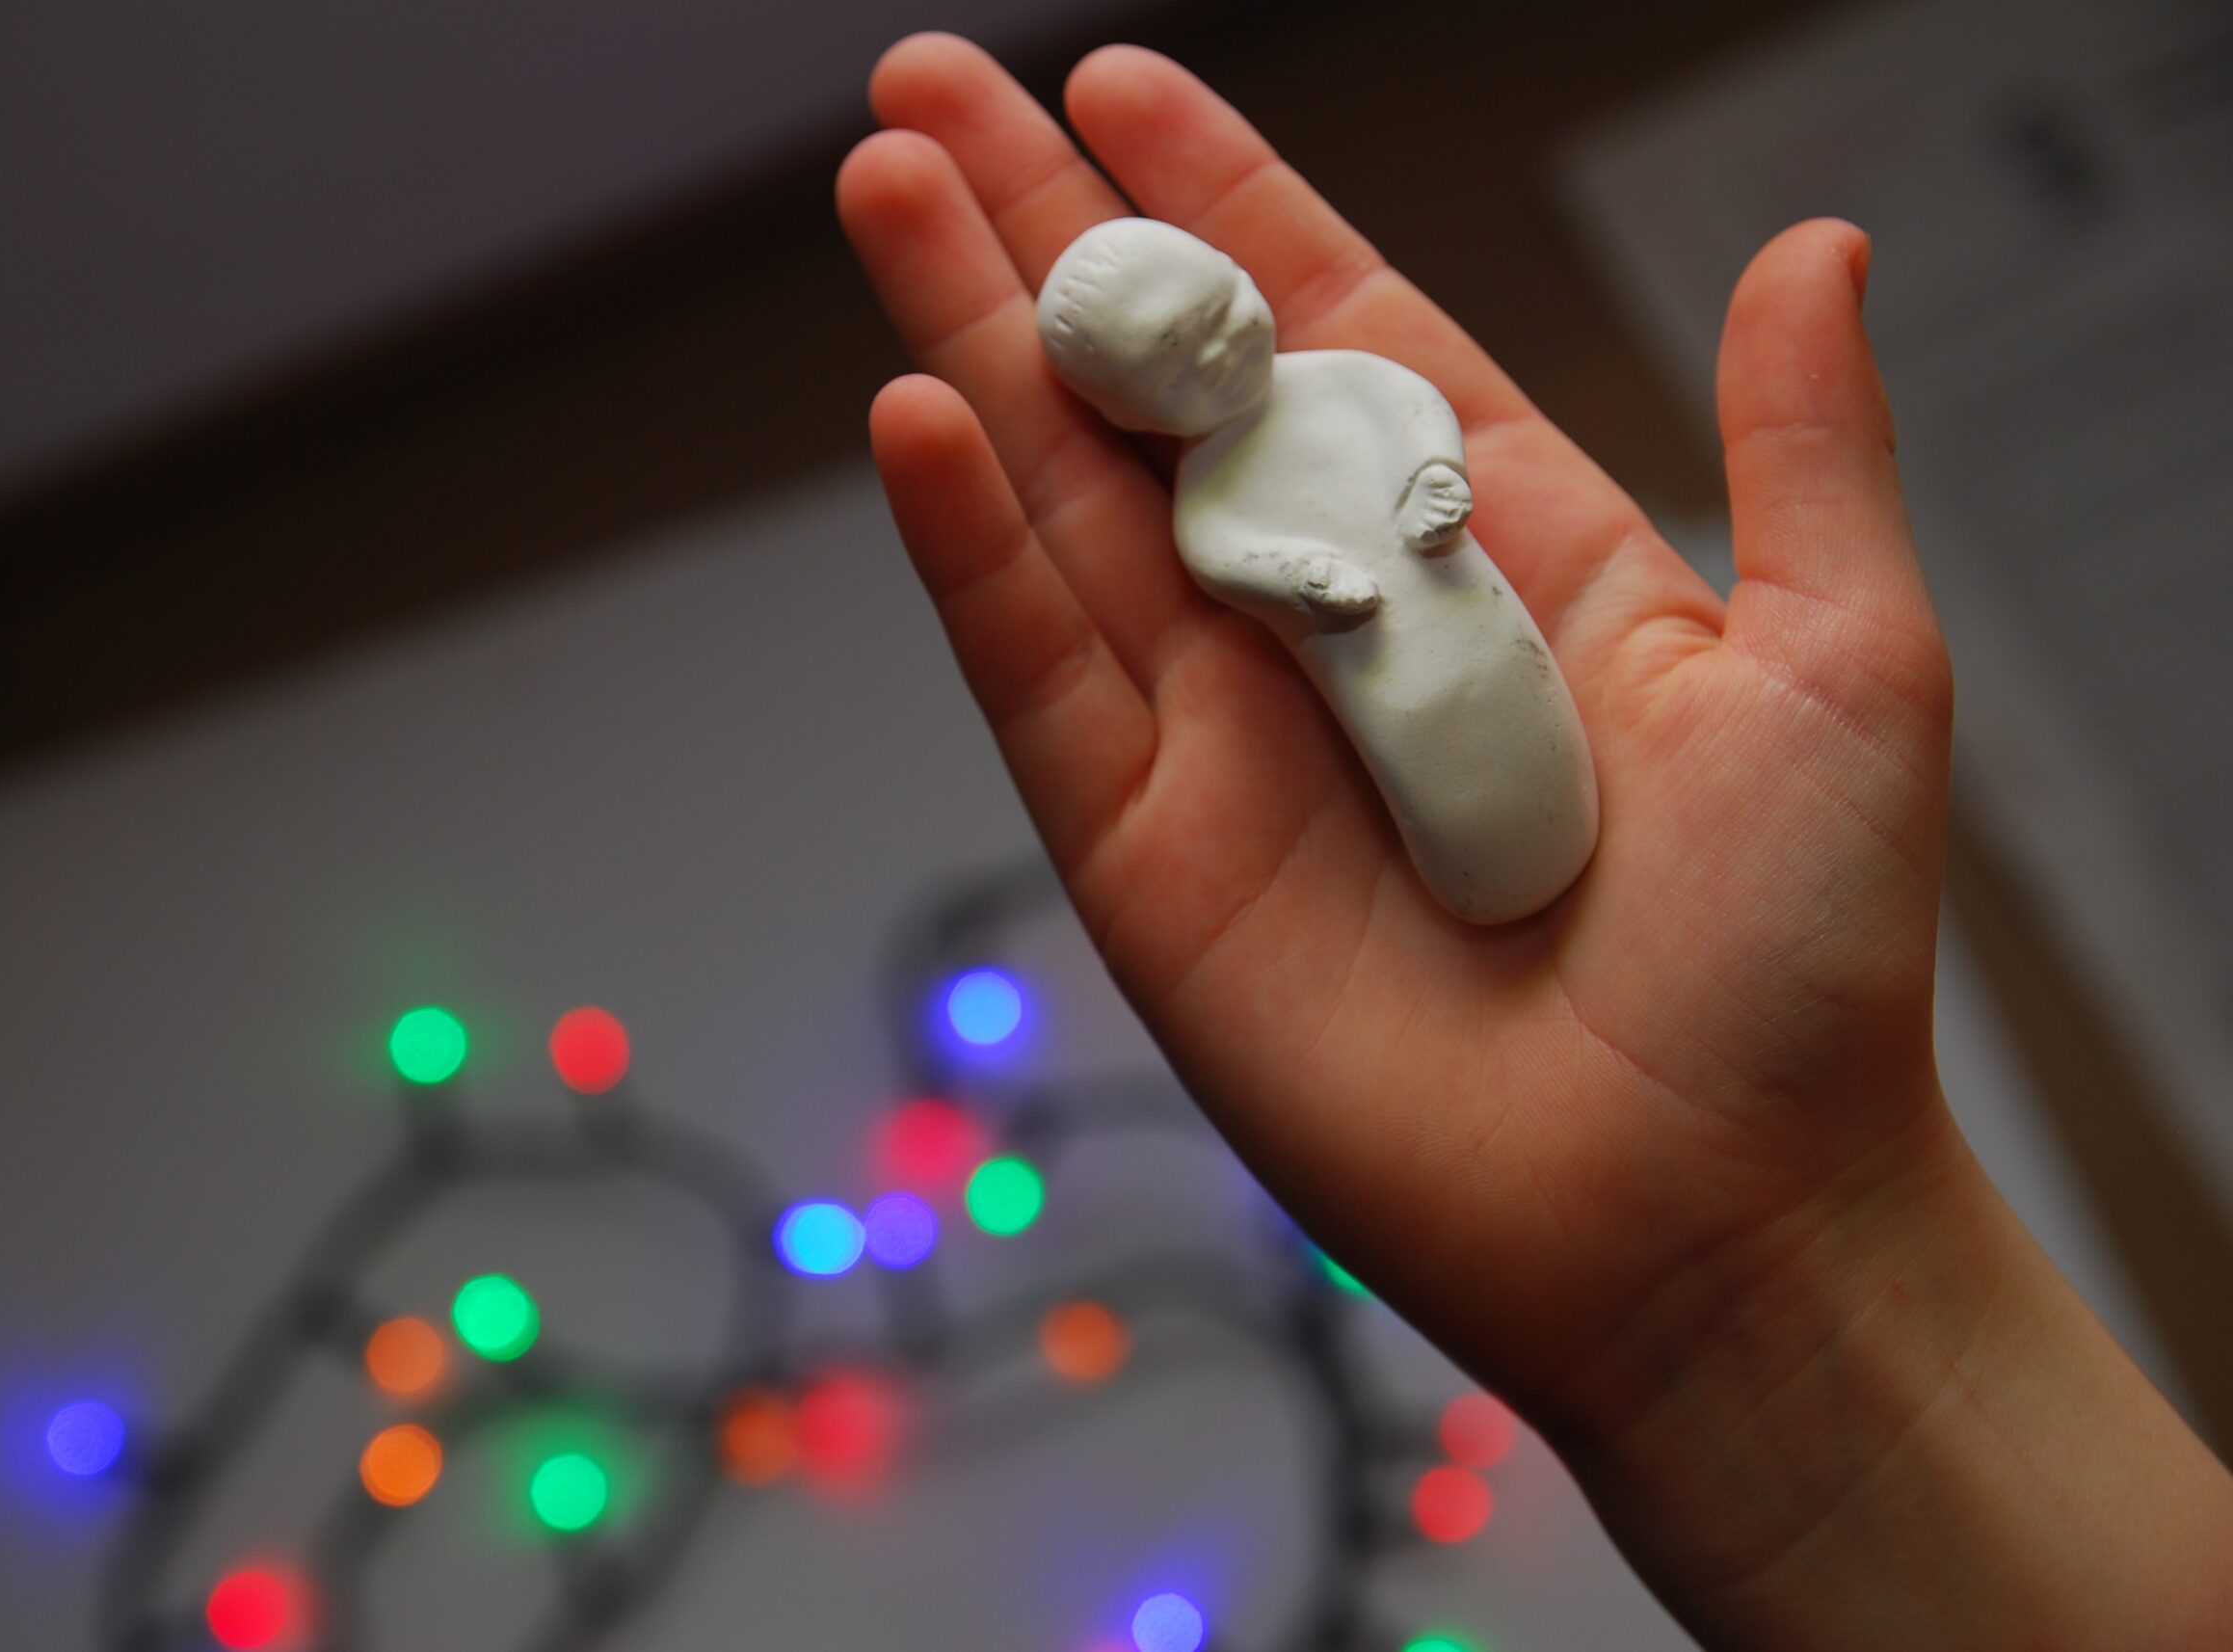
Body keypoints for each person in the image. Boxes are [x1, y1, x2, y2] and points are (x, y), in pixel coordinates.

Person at [835, 31, 2233, 1652]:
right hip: (1394, 675)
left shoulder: (1341, 384)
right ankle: (1475, 843)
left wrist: (1435, 484)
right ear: (1131, 408)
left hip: (1474, 623)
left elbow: (1417, 418)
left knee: (1504, 744)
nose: (1221, 348)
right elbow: (1232, 556)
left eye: (1221, 307)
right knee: (1452, 789)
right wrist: (1307, 579)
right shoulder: (1212, 490)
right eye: (1176, 358)